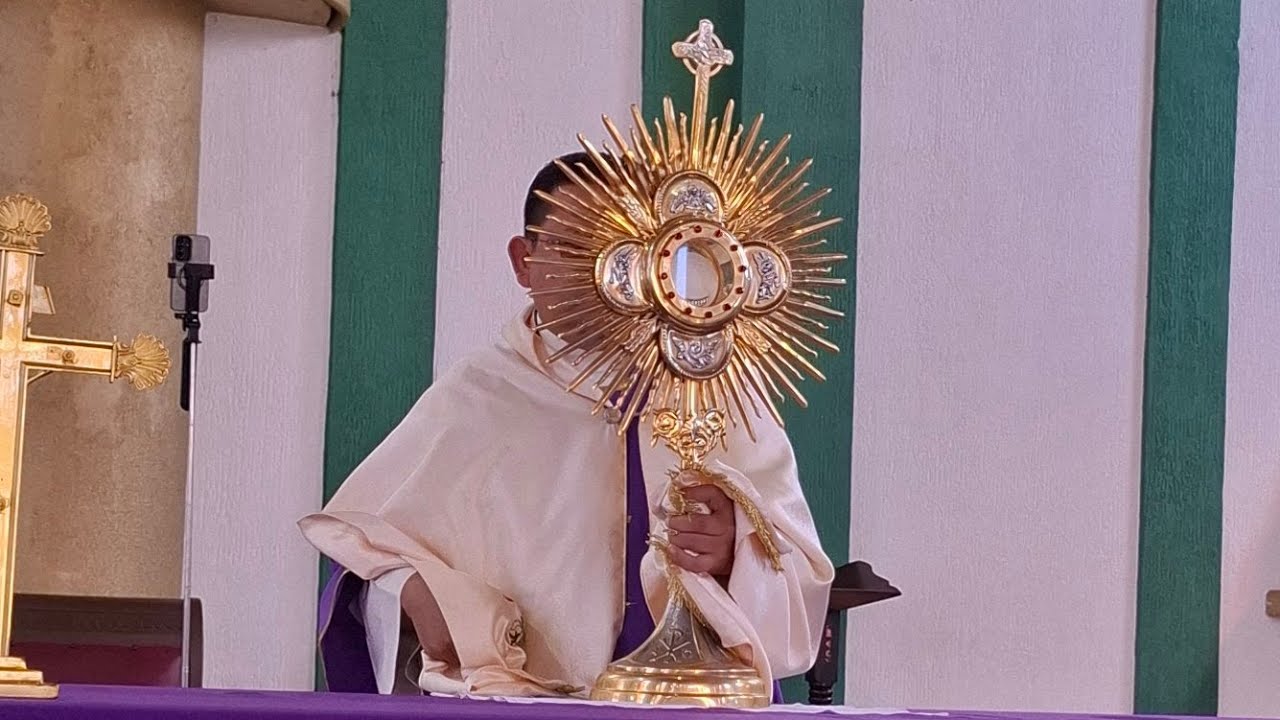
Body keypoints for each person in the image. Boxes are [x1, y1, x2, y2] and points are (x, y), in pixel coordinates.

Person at [299, 152, 835, 698]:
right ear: (523, 261)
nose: (601, 275)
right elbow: (368, 559)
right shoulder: (480, 395)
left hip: (693, 705)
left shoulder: (720, 390)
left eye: (622, 250)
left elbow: (802, 589)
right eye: (575, 249)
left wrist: (735, 551)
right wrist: (411, 590)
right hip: (523, 706)